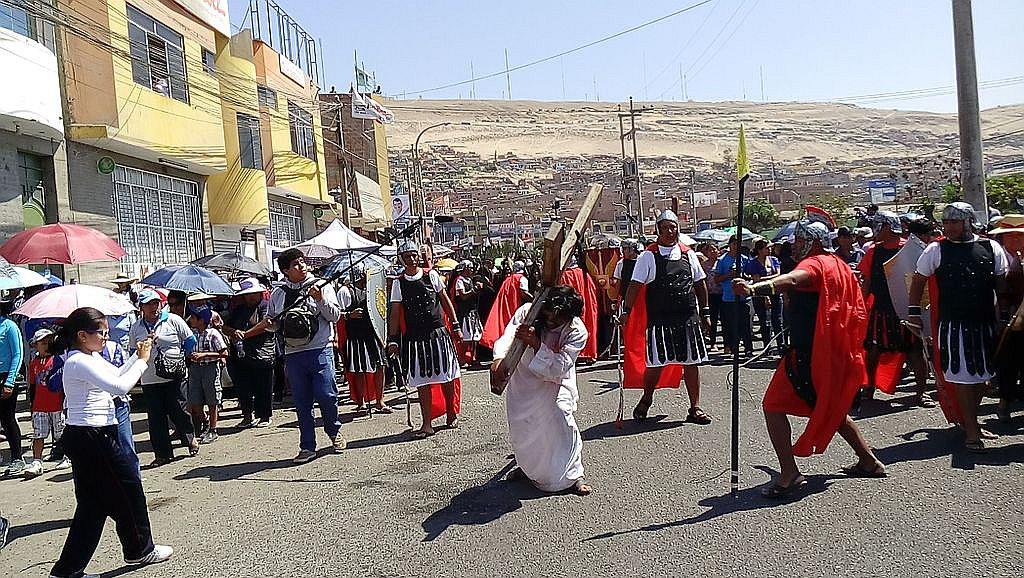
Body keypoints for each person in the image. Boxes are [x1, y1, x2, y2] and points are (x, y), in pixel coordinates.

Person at [733, 220, 885, 498]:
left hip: (810, 355)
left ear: (813, 242)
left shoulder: (815, 263)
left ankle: (789, 473)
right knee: (830, 406)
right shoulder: (837, 263)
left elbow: (792, 279)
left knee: (772, 406)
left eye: (800, 240)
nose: (795, 245)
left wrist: (756, 289)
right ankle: (868, 460)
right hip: (830, 352)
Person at [48, 308, 173, 577]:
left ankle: (67, 570)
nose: (106, 337)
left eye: (106, 331)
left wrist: (137, 355)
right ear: (82, 335)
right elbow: (119, 388)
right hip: (91, 436)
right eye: (101, 332)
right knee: (130, 489)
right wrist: (142, 361)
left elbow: (117, 375)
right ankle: (140, 549)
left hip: (92, 434)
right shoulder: (77, 361)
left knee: (92, 506)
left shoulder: (90, 357)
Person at [909, 202, 1009, 452]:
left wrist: (1004, 316)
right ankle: (972, 432)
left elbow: (1001, 282)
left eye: (954, 222)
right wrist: (914, 313)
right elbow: (919, 280)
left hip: (985, 323)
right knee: (963, 378)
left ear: (967, 222)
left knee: (983, 379)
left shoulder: (990, 247)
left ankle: (969, 421)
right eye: (946, 223)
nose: (949, 227)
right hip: (954, 326)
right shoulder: (936, 249)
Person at [491, 285, 591, 495]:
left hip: (556, 381)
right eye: (549, 317)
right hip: (524, 378)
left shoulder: (577, 331)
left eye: (558, 319)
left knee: (562, 419)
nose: (552, 322)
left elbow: (559, 367)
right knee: (525, 428)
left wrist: (537, 344)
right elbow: (509, 335)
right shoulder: (529, 311)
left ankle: (573, 474)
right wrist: (498, 359)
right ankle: (530, 470)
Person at [620, 210, 712, 424]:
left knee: (691, 362)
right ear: (658, 231)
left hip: (687, 317)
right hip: (660, 319)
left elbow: (700, 283)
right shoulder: (648, 257)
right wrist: (626, 311)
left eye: (674, 227)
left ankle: (695, 407)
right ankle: (646, 398)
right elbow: (634, 286)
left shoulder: (688, 254)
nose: (671, 231)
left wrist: (705, 312)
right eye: (666, 228)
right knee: (656, 364)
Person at [263, 248, 344, 464]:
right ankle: (307, 446)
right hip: (293, 353)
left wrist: (319, 299)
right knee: (302, 402)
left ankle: (334, 430)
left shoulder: (322, 286)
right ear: (285, 271)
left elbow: (335, 316)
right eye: (295, 264)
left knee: (327, 394)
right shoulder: (278, 293)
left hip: (321, 349)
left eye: (302, 262)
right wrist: (272, 326)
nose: (302, 266)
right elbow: (272, 322)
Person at [388, 240, 462, 438]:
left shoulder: (431, 275)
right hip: (415, 338)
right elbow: (394, 312)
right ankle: (427, 423)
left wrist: (455, 325)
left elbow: (444, 300)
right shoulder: (398, 282)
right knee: (422, 382)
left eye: (414, 255)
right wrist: (392, 339)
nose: (411, 259)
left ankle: (451, 413)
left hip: (438, 334)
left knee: (446, 375)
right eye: (407, 257)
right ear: (401, 259)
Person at [858, 211, 929, 404]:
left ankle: (921, 392)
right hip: (881, 308)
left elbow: (922, 281)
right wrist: (861, 306)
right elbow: (867, 280)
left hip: (907, 310)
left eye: (879, 226)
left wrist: (923, 310)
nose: (876, 230)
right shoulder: (874, 251)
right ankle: (869, 386)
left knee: (914, 351)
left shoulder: (910, 249)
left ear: (887, 227)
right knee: (873, 350)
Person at [129, 289, 198, 467]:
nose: (154, 307)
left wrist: (183, 356)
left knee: (180, 411)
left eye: (156, 303)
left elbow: (190, 340)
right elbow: (132, 352)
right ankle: (162, 454)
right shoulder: (137, 327)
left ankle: (190, 439)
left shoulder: (173, 320)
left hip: (175, 375)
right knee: (156, 418)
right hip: (150, 378)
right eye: (149, 304)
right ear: (141, 307)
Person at [224, 277, 276, 427]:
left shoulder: (265, 306)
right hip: (241, 354)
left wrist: (245, 334)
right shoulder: (239, 310)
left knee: (263, 386)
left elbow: (265, 324)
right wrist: (234, 332)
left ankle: (264, 415)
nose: (251, 296)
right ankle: (247, 415)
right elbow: (225, 327)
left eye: (254, 293)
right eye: (248, 294)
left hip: (262, 351)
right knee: (243, 386)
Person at [337, 265, 389, 414]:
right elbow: (336, 313)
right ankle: (361, 402)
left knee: (380, 366)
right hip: (356, 336)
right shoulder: (346, 291)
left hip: (374, 334)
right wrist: (348, 314)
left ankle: (380, 401)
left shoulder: (373, 291)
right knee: (359, 370)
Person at [23, 327, 71, 477]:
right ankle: (37, 460)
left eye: (49, 341)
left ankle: (68, 456)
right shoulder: (34, 363)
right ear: (35, 345)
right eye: (43, 342)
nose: (47, 345)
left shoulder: (57, 359)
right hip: (40, 406)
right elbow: (32, 386)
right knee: (39, 434)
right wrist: (32, 405)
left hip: (57, 404)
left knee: (61, 433)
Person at [991, 214, 1024, 422]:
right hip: (1009, 317)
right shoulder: (996, 256)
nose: (1015, 240)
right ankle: (1004, 404)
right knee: (1009, 363)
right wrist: (1003, 315)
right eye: (1009, 236)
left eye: (1019, 236)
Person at [186, 308, 226, 444]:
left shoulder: (213, 334)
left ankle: (213, 429)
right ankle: (205, 421)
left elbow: (224, 353)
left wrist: (205, 355)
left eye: (193, 317)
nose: (190, 320)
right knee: (194, 400)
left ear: (201, 320)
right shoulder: (192, 334)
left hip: (210, 367)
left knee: (212, 400)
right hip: (195, 368)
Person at [715, 235, 753, 355]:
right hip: (729, 297)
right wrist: (729, 274)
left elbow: (750, 275)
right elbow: (716, 279)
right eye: (734, 244)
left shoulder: (744, 259)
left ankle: (748, 349)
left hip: (743, 297)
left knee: (746, 324)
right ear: (730, 245)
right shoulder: (722, 260)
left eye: (738, 244)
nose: (736, 246)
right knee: (731, 325)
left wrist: (745, 276)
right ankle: (733, 348)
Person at [481, 261, 532, 350]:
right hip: (514, 306)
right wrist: (534, 299)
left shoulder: (508, 279)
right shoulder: (522, 278)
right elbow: (524, 293)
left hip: (506, 306)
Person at [0, 296, 25, 476]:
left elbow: (18, 354)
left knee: (7, 419)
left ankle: (17, 456)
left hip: (5, 377)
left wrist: (9, 381)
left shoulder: (9, 326)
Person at [558, 258, 600, 363]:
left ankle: (576, 354)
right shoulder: (584, 273)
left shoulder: (565, 275)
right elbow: (592, 290)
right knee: (589, 326)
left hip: (572, 309)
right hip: (586, 306)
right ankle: (590, 354)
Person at [745, 240, 783, 350]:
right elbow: (753, 278)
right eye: (767, 248)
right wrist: (764, 280)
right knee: (765, 322)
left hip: (775, 293)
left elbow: (778, 274)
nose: (769, 250)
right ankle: (767, 347)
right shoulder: (753, 263)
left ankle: (781, 345)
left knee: (778, 321)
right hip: (760, 295)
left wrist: (762, 279)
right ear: (760, 250)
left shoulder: (774, 260)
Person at [449, 261, 484, 368]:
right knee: (466, 337)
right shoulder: (459, 280)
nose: (472, 270)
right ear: (465, 268)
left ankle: (473, 358)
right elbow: (463, 296)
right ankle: (462, 358)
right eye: (470, 268)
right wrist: (474, 290)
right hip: (464, 313)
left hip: (472, 312)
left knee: (476, 336)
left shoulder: (469, 280)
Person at [698, 243, 724, 350]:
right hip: (710, 295)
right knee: (712, 320)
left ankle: (727, 343)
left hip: (723, 294)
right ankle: (713, 342)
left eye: (715, 250)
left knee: (724, 319)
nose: (713, 252)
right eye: (710, 250)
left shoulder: (721, 263)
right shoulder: (704, 265)